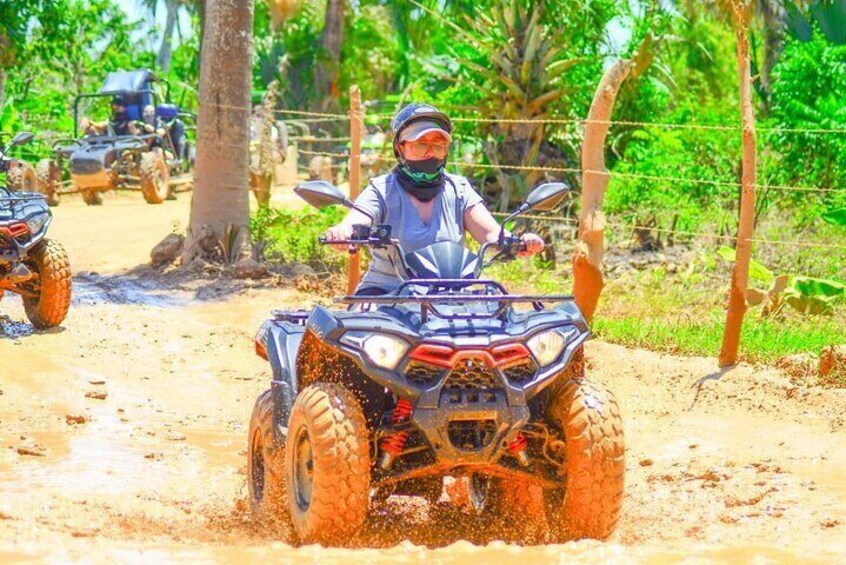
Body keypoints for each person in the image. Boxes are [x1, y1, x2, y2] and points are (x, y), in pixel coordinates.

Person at [324, 103, 545, 295]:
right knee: (362, 332)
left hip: (450, 295)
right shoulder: (382, 189)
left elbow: (490, 233)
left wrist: (519, 242)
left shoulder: (459, 189)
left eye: (438, 144)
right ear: (400, 148)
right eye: (421, 143)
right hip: (388, 293)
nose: (430, 152)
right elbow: (358, 219)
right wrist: (344, 232)